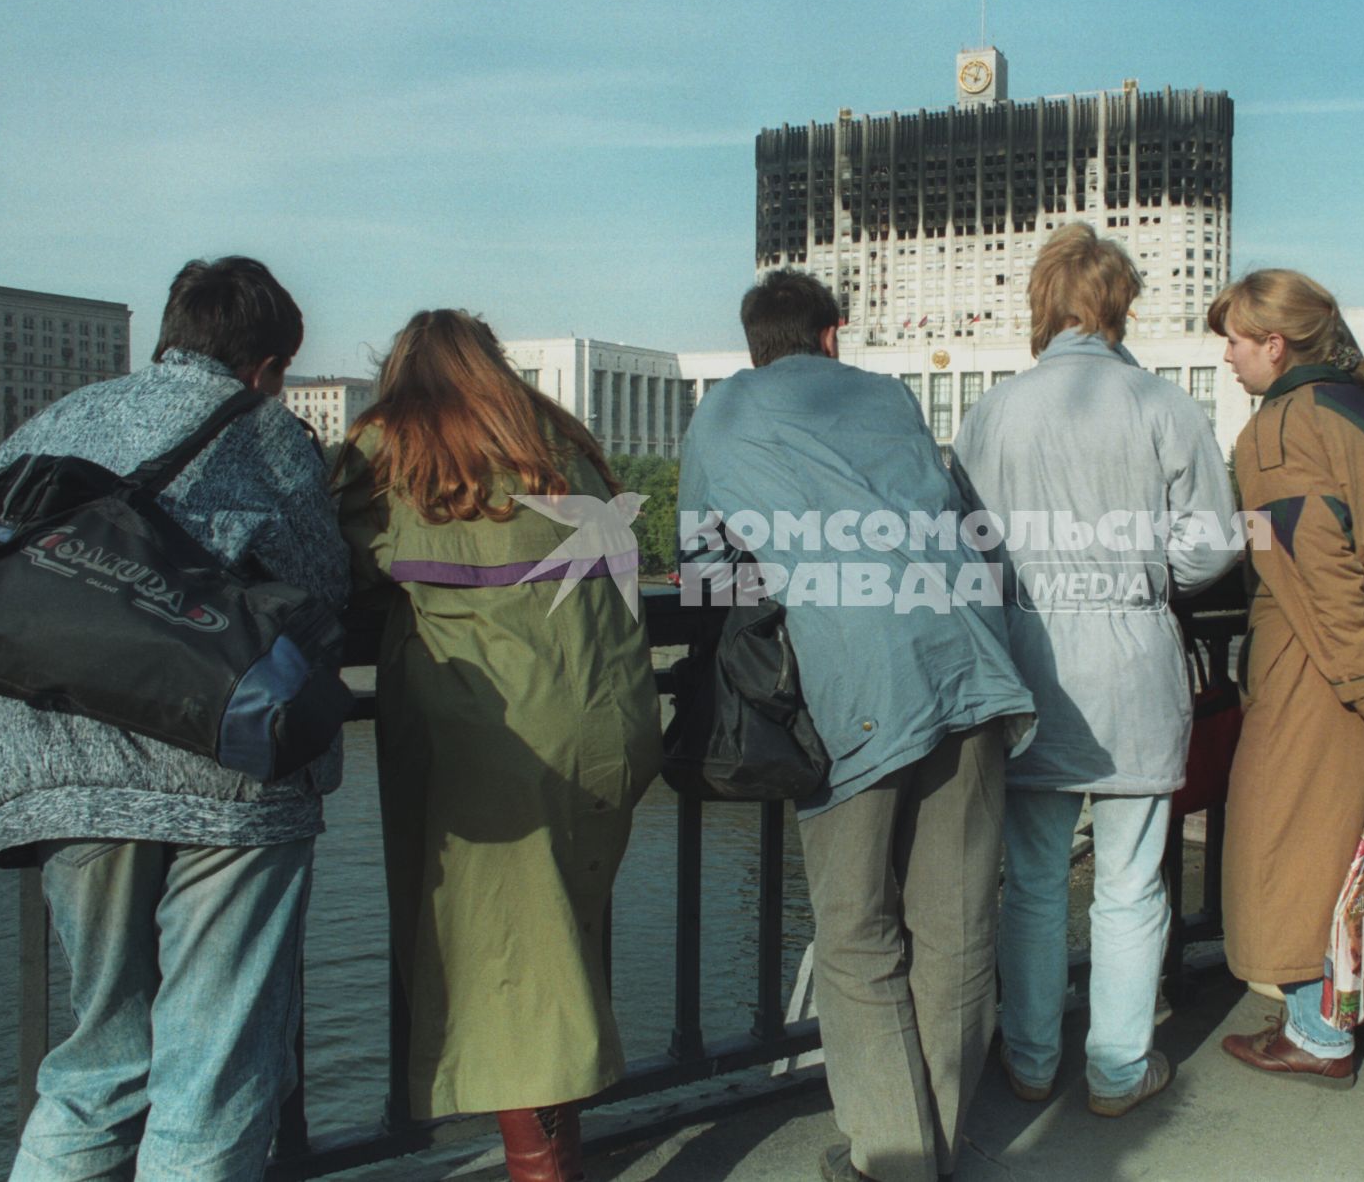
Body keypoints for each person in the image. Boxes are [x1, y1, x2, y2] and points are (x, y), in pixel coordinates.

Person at [0, 257, 345, 1180]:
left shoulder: (46, 423)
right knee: (211, 1071)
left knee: (98, 1065)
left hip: (49, 767)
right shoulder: (264, 431)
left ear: (170, 336)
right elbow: (320, 600)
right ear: (265, 366)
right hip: (222, 775)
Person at [677, 270, 1036, 1182]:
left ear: (753, 340)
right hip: (975, 665)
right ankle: (940, 1144)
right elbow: (956, 513)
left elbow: (702, 565)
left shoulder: (723, 413)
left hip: (855, 685)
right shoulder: (890, 397)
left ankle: (893, 1157)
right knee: (955, 926)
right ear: (833, 335)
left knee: (855, 933)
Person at [333, 310, 660, 1182]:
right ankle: (562, 1156)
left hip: (493, 740)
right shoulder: (558, 444)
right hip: (605, 720)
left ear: (400, 369)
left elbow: (335, 563)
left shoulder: (390, 445)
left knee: (506, 966)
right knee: (564, 942)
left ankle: (537, 1170)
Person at [950, 224, 1240, 1118]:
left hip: (1028, 660)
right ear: (1121, 305)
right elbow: (1213, 545)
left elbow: (967, 546)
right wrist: (1148, 576)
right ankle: (1118, 1068)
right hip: (1131, 660)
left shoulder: (992, 411)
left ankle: (1032, 1057)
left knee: (1032, 878)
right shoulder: (1162, 405)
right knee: (1130, 878)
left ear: (1042, 303)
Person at [1211, 269, 1364, 1087]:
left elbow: (1309, 571)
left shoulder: (1276, 432)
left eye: (1237, 341)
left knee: (1298, 848)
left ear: (1275, 345)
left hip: (1322, 669)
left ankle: (1320, 1033)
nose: (1228, 359)